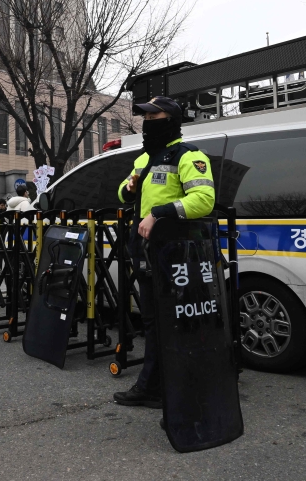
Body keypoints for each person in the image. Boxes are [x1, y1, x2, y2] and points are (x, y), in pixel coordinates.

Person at [112, 96, 215, 409]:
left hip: (175, 257)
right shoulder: (143, 160)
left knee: (172, 323)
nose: (146, 122)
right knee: (153, 323)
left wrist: (159, 212)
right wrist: (128, 189)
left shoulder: (189, 156)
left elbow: (204, 200)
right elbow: (122, 193)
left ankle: (165, 387)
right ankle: (158, 385)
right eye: (144, 117)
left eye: (152, 116)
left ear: (169, 119)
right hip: (147, 255)